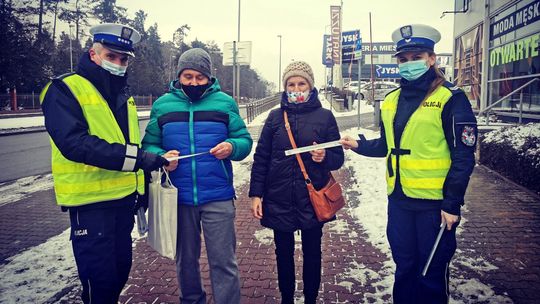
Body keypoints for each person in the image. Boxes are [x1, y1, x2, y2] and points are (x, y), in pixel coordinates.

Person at [340, 24, 477, 303]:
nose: (409, 64)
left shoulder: (451, 98)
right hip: (400, 201)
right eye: (403, 59)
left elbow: (464, 156)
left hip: (434, 206)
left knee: (431, 274)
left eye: (416, 57)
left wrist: (452, 204)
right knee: (404, 268)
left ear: (431, 59)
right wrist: (359, 145)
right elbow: (388, 145)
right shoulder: (391, 101)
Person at [40, 23, 170, 303]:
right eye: (111, 56)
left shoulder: (124, 96)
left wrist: (142, 191)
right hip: (90, 206)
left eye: (123, 59)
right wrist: (141, 160)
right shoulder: (64, 89)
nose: (118, 64)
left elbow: (128, 142)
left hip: (122, 202)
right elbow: (74, 144)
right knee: (99, 283)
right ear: (93, 54)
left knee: (120, 272)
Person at [142, 48, 252, 304]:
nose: (193, 82)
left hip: (217, 196)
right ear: (179, 76)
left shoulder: (225, 103)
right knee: (185, 261)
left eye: (199, 77)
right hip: (178, 198)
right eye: (188, 76)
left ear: (209, 78)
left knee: (223, 261)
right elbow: (148, 145)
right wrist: (161, 157)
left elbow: (244, 140)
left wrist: (232, 147)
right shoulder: (162, 105)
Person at [249, 61, 344, 304]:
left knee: (313, 253)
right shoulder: (274, 117)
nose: (296, 88)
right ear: (285, 87)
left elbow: (337, 158)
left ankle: (311, 298)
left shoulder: (324, 117)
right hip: (278, 197)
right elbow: (261, 158)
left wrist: (324, 157)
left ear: (311, 86)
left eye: (301, 83)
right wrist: (256, 194)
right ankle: (287, 298)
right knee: (283, 254)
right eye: (291, 84)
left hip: (312, 198)